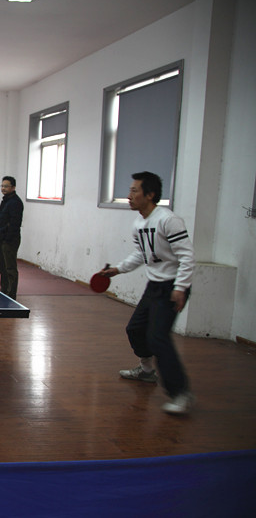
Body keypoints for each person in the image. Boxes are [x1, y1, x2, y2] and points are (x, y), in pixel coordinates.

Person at [99, 171, 195, 415]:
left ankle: (180, 393)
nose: (129, 196)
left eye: (134, 191)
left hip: (172, 287)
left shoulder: (168, 220)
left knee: (158, 338)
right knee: (135, 329)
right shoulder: (139, 223)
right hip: (154, 286)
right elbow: (141, 254)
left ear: (150, 195)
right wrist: (118, 269)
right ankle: (146, 370)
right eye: (129, 191)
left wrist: (180, 288)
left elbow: (187, 256)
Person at [0, 176, 24, 299]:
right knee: (1, 266)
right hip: (0, 238)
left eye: (6, 186)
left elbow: (14, 224)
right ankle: (4, 289)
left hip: (9, 240)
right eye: (2, 186)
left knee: (10, 268)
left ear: (13, 187)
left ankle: (11, 294)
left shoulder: (16, 202)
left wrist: (6, 238)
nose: (3, 188)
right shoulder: (6, 200)